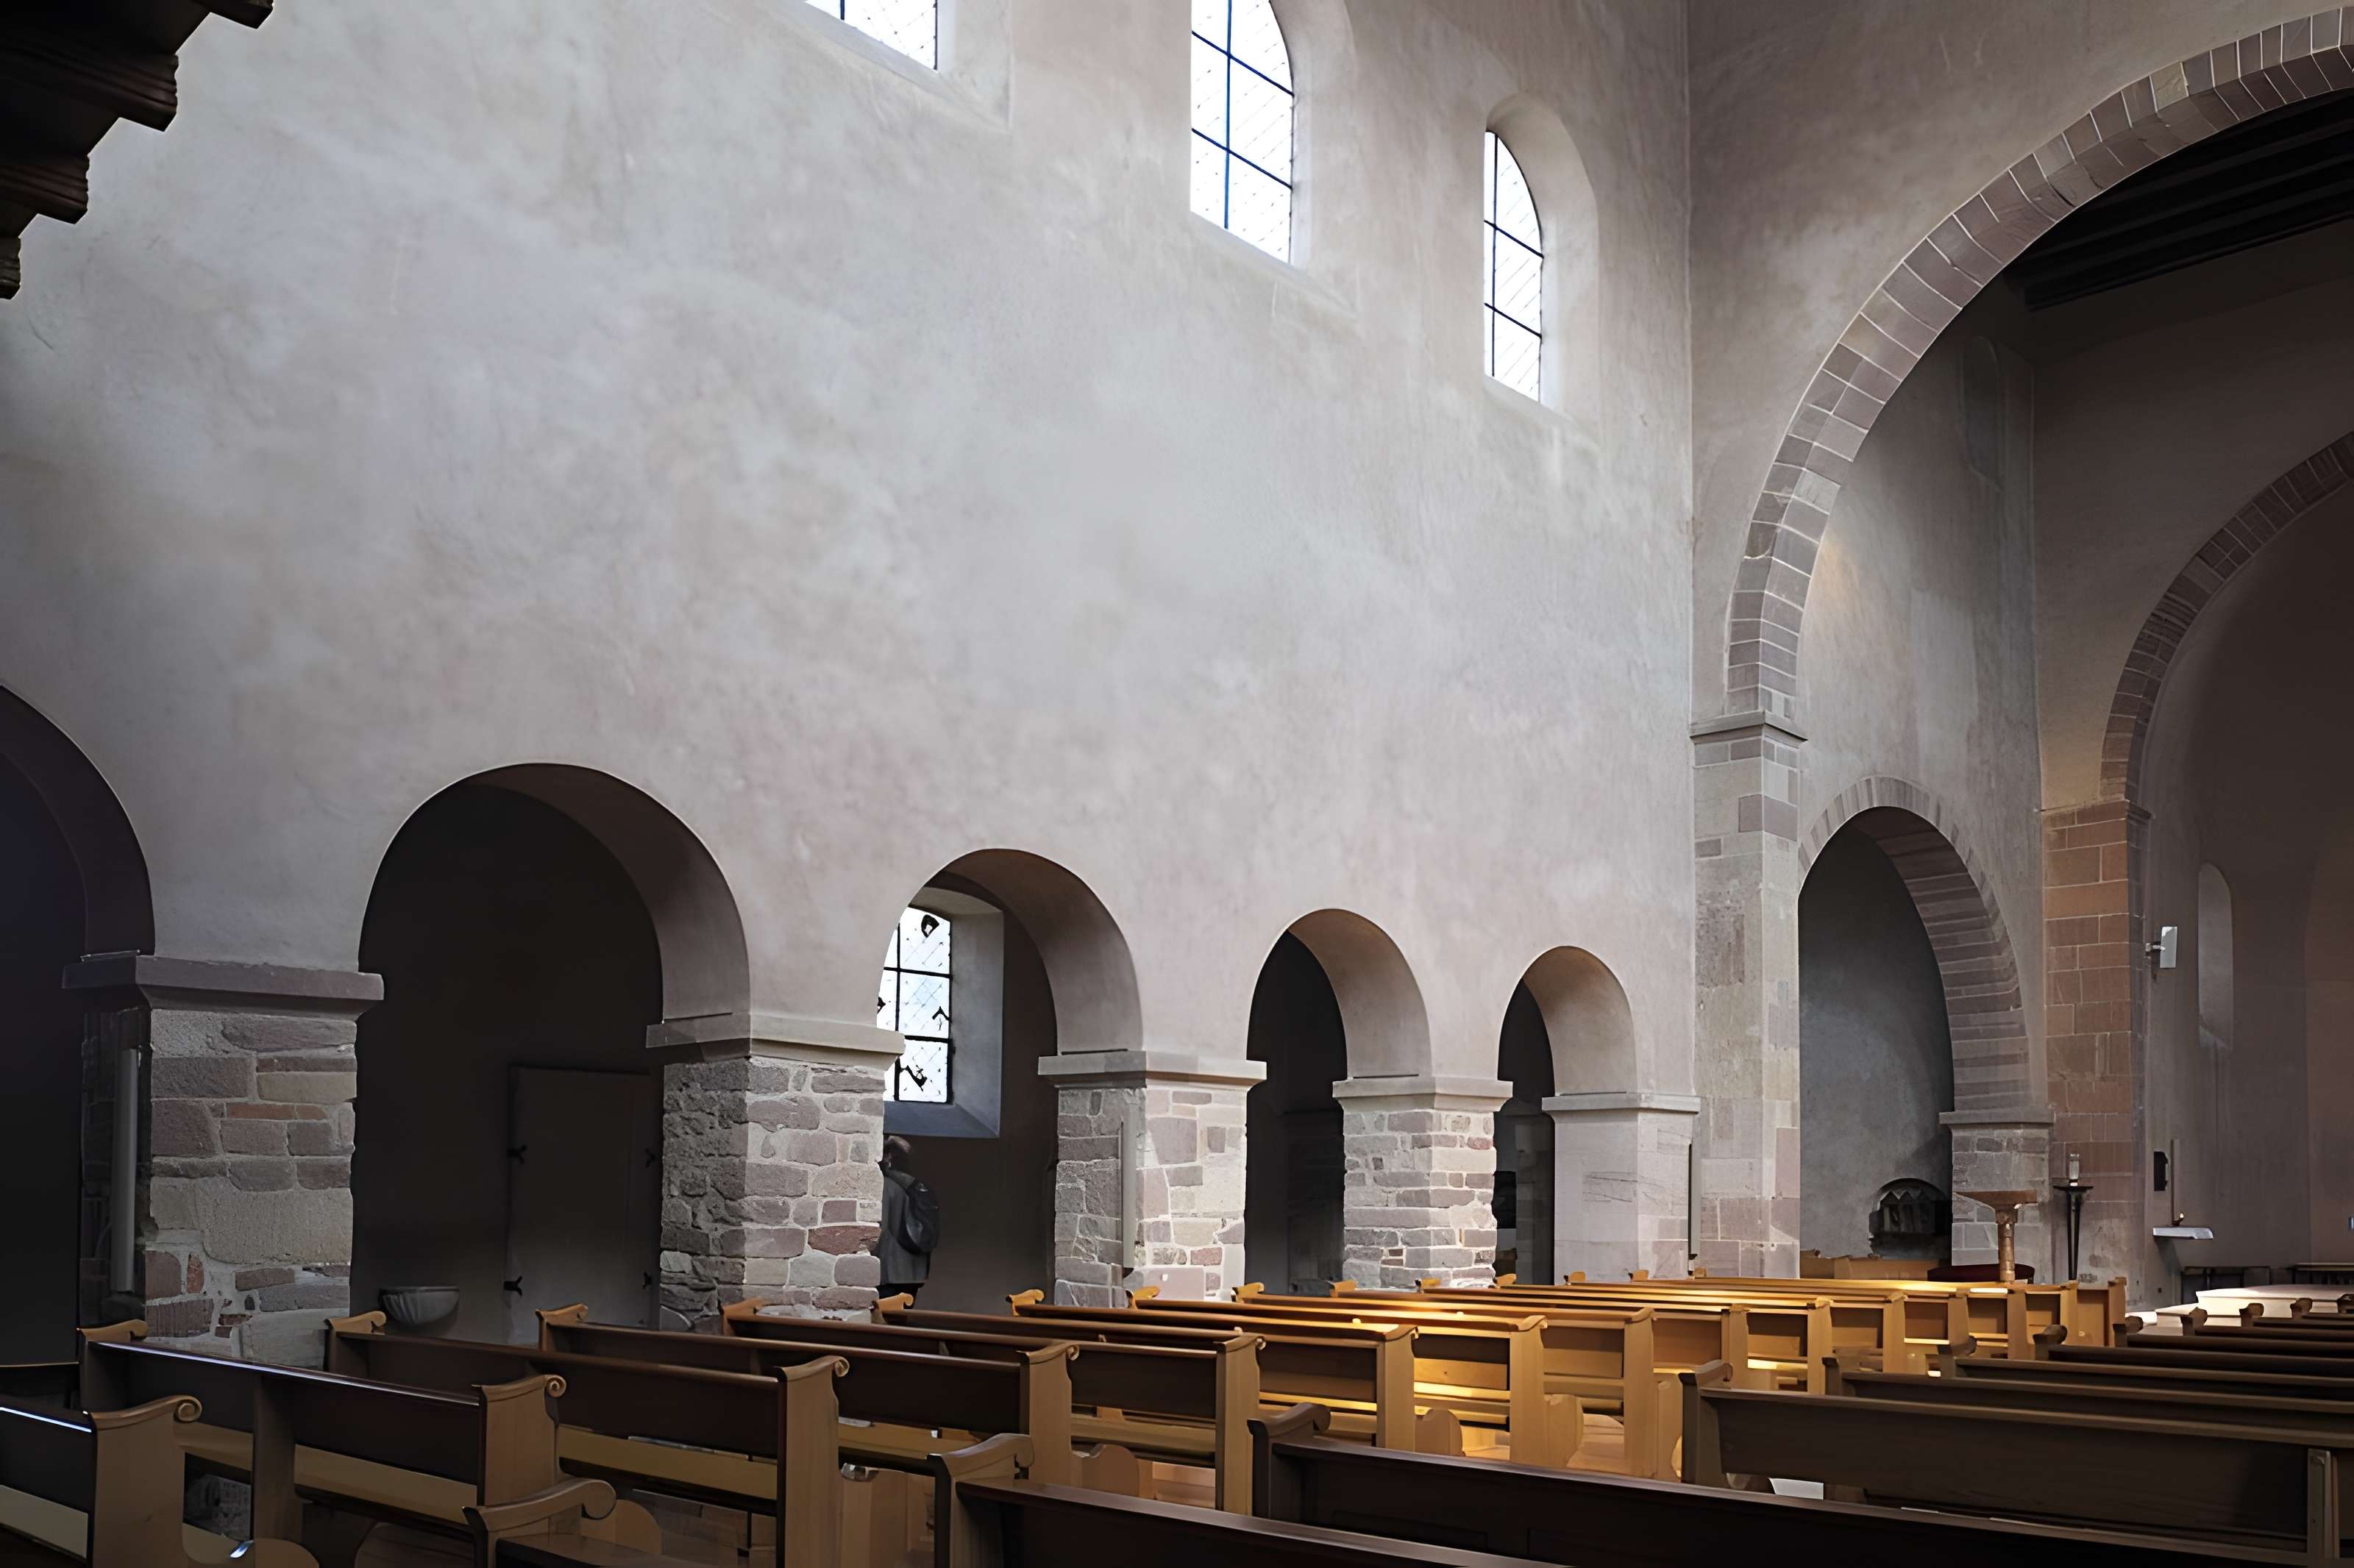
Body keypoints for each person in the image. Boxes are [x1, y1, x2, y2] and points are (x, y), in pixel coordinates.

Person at [875, 1134, 938, 1301]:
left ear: (887, 1157)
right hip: (913, 1274)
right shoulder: (914, 1185)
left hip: (890, 1274)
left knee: (883, 1324)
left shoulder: (886, 1186)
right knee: (899, 1322)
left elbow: (880, 1231)